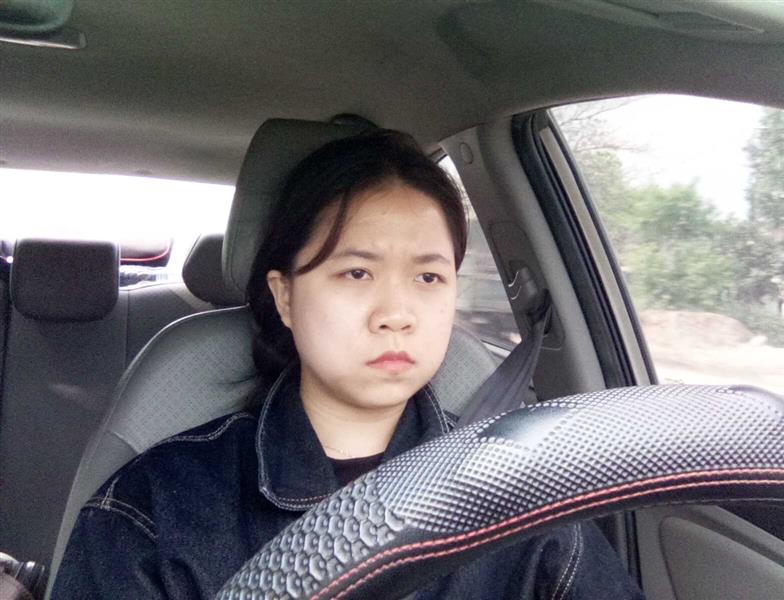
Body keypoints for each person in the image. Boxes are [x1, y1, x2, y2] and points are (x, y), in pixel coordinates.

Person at [52, 130, 644, 599]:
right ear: (286, 296)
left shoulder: (522, 506)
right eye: (356, 272)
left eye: (428, 277)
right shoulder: (155, 510)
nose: (397, 314)